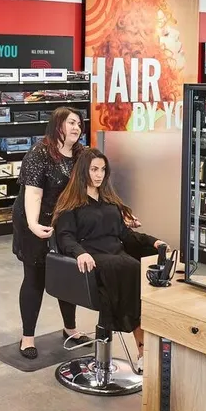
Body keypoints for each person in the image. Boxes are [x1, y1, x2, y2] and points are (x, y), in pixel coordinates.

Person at [52, 148, 165, 373]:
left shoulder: (109, 201)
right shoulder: (70, 203)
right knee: (131, 269)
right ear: (83, 170)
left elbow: (126, 236)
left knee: (143, 270)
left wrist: (154, 242)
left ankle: (144, 350)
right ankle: (143, 350)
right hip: (92, 261)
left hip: (117, 257)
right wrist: (79, 253)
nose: (99, 174)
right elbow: (64, 236)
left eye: (103, 169)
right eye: (94, 169)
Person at [13, 107, 87, 359]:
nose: (76, 127)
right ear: (57, 125)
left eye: (79, 123)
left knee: (67, 276)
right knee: (35, 277)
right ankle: (27, 337)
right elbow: (33, 193)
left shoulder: (81, 154)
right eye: (71, 123)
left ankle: (70, 329)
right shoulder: (39, 153)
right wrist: (33, 224)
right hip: (34, 219)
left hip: (64, 223)